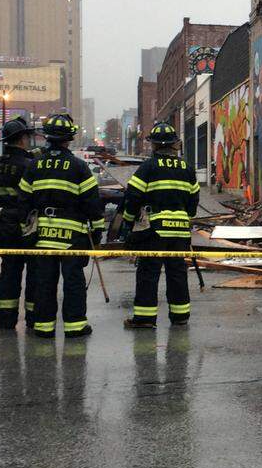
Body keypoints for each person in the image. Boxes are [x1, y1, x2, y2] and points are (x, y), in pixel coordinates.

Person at [19, 114, 105, 339]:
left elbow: (23, 202)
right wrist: (97, 231)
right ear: (68, 139)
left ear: (47, 138)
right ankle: (75, 326)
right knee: (73, 281)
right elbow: (92, 204)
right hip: (72, 237)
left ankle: (44, 327)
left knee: (44, 281)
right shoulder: (78, 167)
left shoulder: (34, 165)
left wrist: (26, 231)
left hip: (42, 235)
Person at [121, 122, 199, 329]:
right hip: (180, 231)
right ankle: (180, 316)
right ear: (174, 144)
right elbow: (192, 206)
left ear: (154, 146)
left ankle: (145, 319)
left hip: (154, 231)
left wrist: (128, 222)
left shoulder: (148, 167)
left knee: (148, 272)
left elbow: (133, 197)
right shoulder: (187, 168)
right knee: (177, 272)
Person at [0, 117, 38, 330]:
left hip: (5, 223)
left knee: (9, 272)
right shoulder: (29, 165)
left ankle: (6, 319)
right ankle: (32, 317)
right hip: (26, 224)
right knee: (34, 272)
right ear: (21, 138)